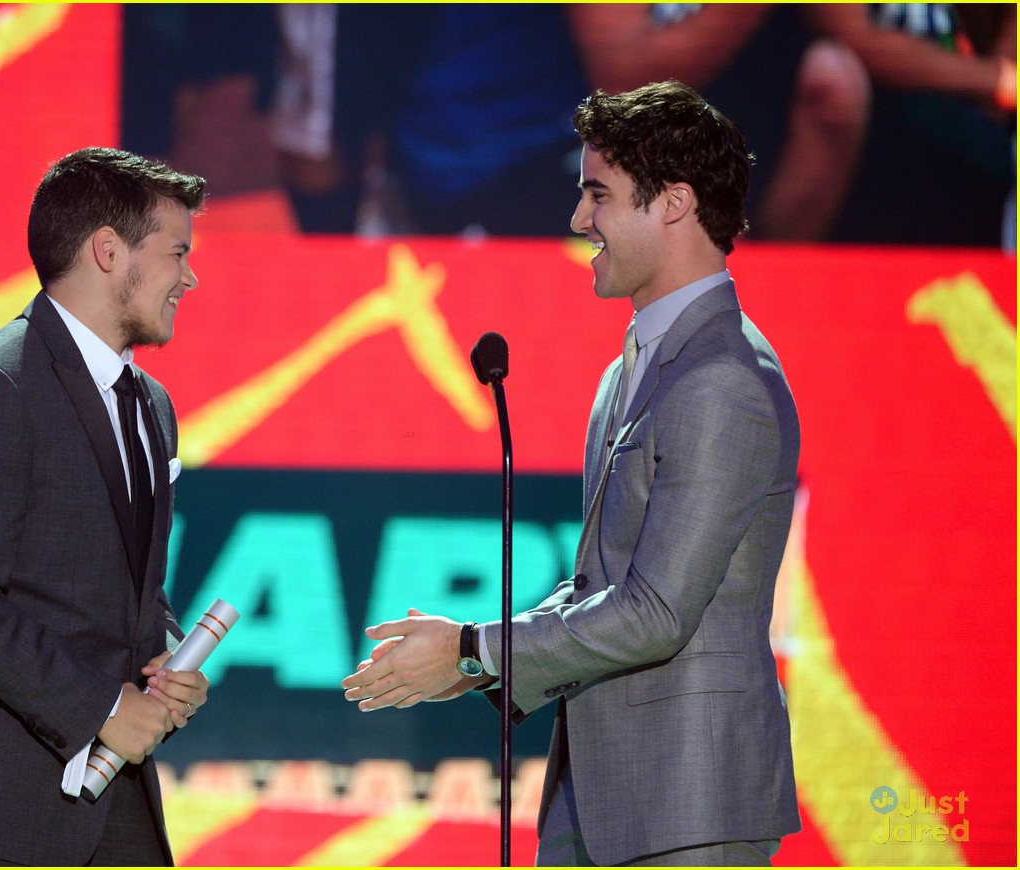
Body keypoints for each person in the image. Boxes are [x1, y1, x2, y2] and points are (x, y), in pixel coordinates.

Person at [342, 82, 802, 866]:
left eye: (598, 195)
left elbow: (657, 611)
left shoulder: (722, 378)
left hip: (687, 808)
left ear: (675, 204)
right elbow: (602, 584)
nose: (578, 220)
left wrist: (474, 647)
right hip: (595, 797)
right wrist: (474, 662)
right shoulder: (633, 368)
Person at [0, 148, 210, 866]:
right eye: (176, 253)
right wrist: (106, 710)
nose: (189, 276)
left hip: (117, 809)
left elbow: (131, 586)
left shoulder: (151, 404)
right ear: (108, 251)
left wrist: (164, 658)